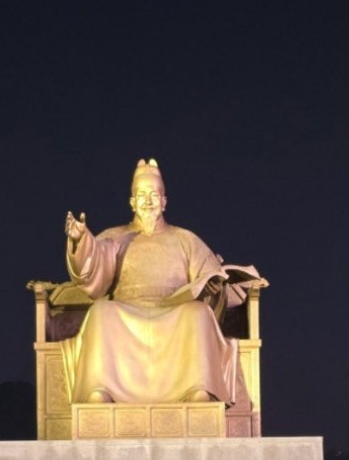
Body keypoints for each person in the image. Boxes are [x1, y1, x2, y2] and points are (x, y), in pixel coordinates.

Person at [61, 159, 237, 405]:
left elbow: (211, 274)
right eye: (141, 195)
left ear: (164, 201)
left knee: (199, 313)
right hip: (128, 312)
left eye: (154, 195)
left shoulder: (185, 239)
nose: (148, 200)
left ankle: (199, 390)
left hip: (175, 312)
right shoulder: (115, 237)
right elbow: (91, 270)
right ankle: (99, 391)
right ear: (132, 202)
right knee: (100, 312)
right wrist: (81, 242)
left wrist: (212, 288)